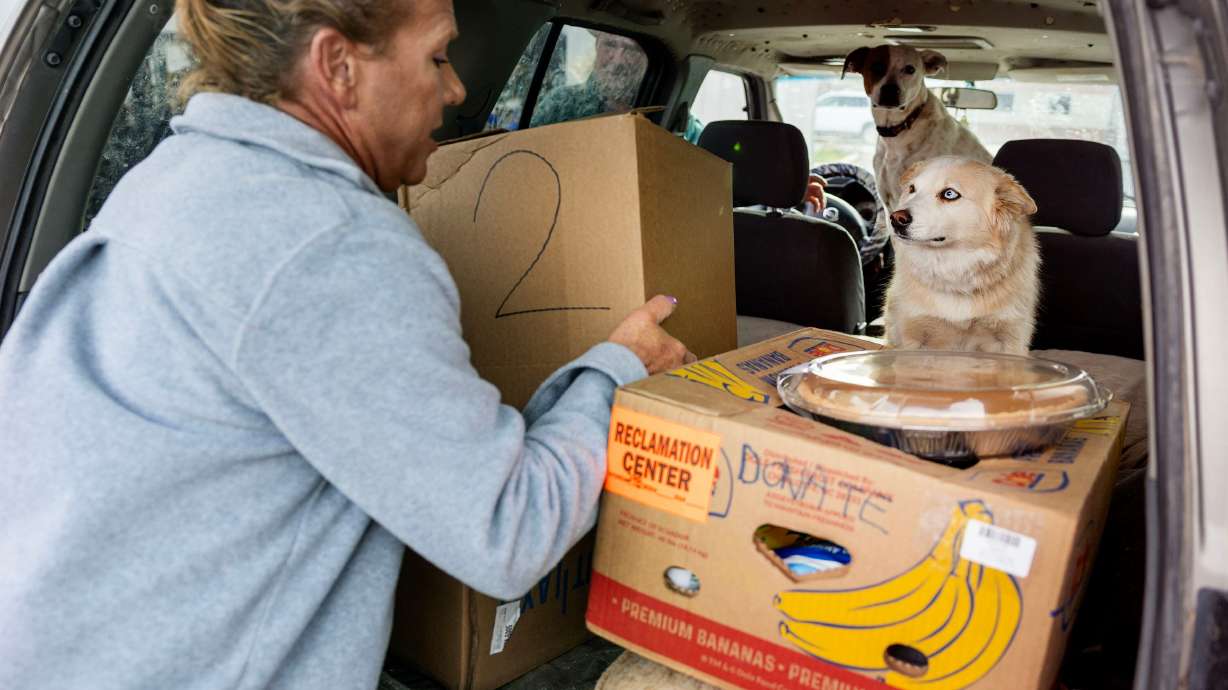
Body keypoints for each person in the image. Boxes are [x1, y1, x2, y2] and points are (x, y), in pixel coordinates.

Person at [0, 0, 692, 687]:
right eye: (438, 57)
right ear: (338, 66)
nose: (455, 90)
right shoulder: (329, 243)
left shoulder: (171, 179)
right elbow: (509, 530)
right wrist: (622, 369)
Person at [531, 31, 647, 126]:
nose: (618, 60)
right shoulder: (560, 103)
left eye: (631, 49)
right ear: (597, 45)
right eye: (610, 45)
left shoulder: (653, 103)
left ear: (644, 57)